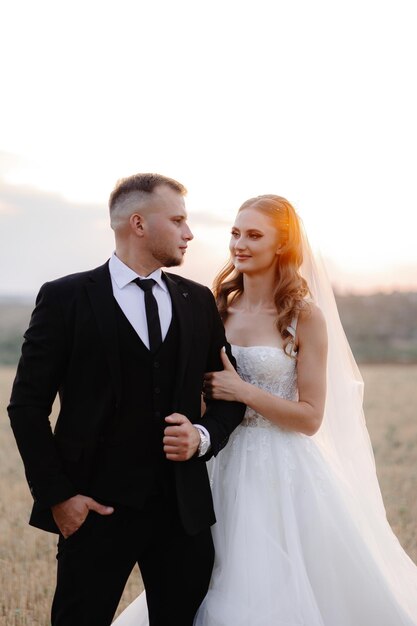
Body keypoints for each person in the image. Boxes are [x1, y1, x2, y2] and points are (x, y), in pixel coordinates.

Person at [115, 193, 417, 626]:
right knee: (197, 584)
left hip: (283, 474)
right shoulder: (214, 306)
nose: (239, 244)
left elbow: (311, 417)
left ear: (282, 245)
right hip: (217, 463)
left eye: (254, 235)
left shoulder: (304, 316)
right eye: (235, 233)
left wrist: (243, 391)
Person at [8, 173, 245, 626]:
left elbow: (229, 396)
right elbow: (26, 406)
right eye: (177, 220)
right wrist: (60, 497)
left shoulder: (197, 302)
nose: (189, 233)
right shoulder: (65, 298)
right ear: (138, 223)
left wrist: (202, 436)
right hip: (94, 511)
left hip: (183, 515)